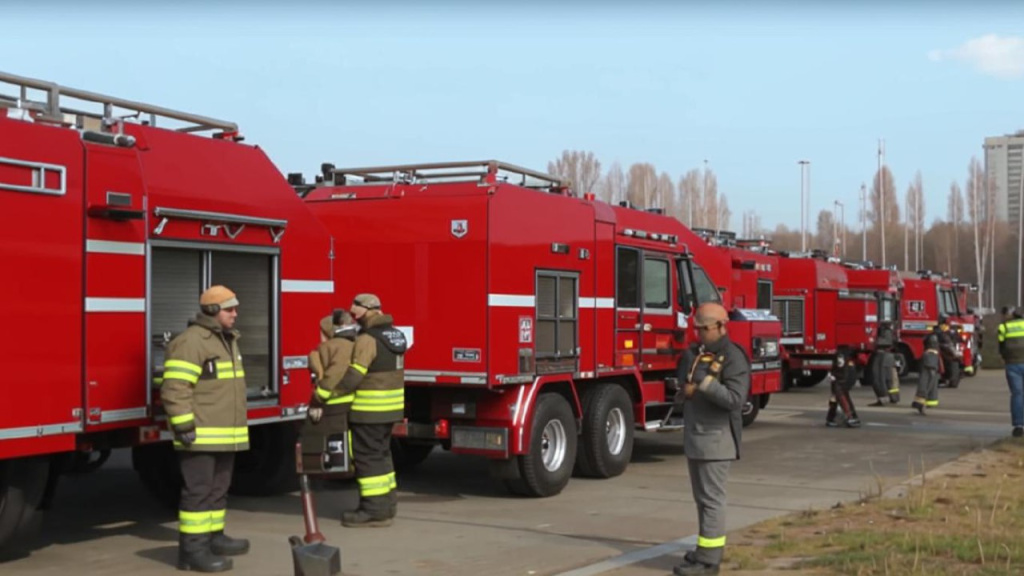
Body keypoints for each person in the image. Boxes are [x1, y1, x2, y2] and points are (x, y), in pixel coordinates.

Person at [160, 285, 250, 572]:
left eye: (236, 308)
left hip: (225, 433)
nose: (236, 314)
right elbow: (175, 387)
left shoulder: (227, 340)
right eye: (230, 309)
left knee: (218, 490)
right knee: (198, 492)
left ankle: (214, 538)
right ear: (212, 311)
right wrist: (183, 423)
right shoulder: (191, 342)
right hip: (200, 432)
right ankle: (192, 552)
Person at [672, 302, 750, 576]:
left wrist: (704, 385)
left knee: (712, 502)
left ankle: (709, 562)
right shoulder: (695, 354)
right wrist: (684, 390)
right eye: (697, 329)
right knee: (702, 501)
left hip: (717, 441)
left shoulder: (733, 357)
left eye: (704, 329)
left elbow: (735, 399)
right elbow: (685, 383)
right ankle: (704, 552)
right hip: (696, 438)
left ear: (720, 326)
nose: (699, 334)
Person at [338, 293, 408, 527]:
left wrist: (334, 392)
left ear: (366, 311)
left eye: (356, 313)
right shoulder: (395, 335)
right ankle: (387, 506)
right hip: (391, 408)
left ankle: (373, 511)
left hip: (368, 410)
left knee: (367, 458)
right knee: (382, 455)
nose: (355, 318)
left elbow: (356, 374)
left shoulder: (368, 339)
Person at [303, 311, 360, 468]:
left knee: (337, 439)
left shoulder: (327, 348)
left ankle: (342, 464)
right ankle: (351, 463)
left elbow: (329, 377)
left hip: (335, 403)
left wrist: (318, 399)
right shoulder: (355, 344)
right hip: (353, 400)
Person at [998, 306, 1024, 437]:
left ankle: (1019, 426)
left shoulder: (1004, 327)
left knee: (1017, 394)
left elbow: (1001, 346)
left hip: (1012, 363)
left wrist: (1005, 358)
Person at [826, 348, 861, 428]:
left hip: (840, 378)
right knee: (840, 394)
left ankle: (832, 417)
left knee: (837, 395)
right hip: (841, 378)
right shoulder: (842, 356)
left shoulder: (841, 356)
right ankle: (849, 416)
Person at [911, 334, 941, 415]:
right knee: (927, 388)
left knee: (924, 387)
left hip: (927, 374)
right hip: (930, 373)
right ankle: (922, 405)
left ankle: (921, 405)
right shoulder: (934, 353)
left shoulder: (929, 354)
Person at [933, 316, 961, 389]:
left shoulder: (942, 329)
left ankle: (946, 379)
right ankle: (950, 380)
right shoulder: (951, 329)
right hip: (951, 349)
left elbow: (945, 339)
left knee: (946, 363)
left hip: (947, 349)